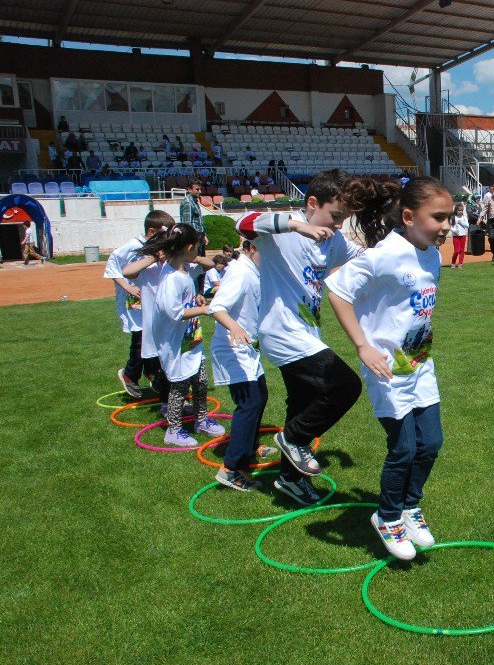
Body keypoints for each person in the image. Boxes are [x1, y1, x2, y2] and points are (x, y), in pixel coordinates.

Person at [327, 176, 452, 561]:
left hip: (418, 364)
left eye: (451, 217)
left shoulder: (430, 251)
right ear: (410, 215)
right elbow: (337, 291)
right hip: (386, 371)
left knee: (431, 443)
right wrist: (363, 346)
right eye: (440, 217)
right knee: (403, 448)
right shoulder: (382, 254)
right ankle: (387, 516)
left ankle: (410, 506)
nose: (447, 225)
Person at [234, 169, 371, 504]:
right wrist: (299, 226)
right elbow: (242, 224)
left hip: (307, 332)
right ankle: (293, 439)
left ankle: (289, 479)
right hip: (283, 333)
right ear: (312, 203)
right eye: (335, 216)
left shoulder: (333, 240)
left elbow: (365, 259)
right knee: (346, 386)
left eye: (344, 218)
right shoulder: (281, 230)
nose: (339, 225)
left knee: (302, 403)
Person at [137, 224, 226, 446]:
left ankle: (201, 419)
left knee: (201, 381)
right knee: (179, 386)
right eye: (197, 247)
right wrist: (205, 310)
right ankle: (173, 430)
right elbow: (174, 312)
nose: (199, 251)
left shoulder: (183, 271)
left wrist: (196, 298)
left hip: (190, 340)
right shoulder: (170, 278)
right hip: (175, 343)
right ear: (188, 248)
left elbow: (183, 301)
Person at [208, 240, 271, 491]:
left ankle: (251, 446)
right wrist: (234, 326)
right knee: (249, 403)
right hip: (233, 349)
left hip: (247, 347)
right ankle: (231, 468)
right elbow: (216, 307)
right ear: (253, 248)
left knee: (261, 396)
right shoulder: (240, 272)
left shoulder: (252, 271)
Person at [104, 210, 176, 399]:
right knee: (140, 337)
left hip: (151, 299)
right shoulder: (133, 246)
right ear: (152, 232)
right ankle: (130, 374)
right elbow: (113, 266)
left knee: (152, 336)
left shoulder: (158, 248)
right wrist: (127, 287)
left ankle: (153, 373)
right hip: (134, 299)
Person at [179, 180, 208, 289]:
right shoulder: (187, 202)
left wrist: (204, 235)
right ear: (189, 189)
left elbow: (198, 221)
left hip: (199, 236)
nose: (199, 191)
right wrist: (194, 239)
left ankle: (199, 291)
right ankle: (195, 291)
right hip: (194, 238)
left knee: (201, 265)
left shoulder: (194, 201)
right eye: (197, 189)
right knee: (195, 264)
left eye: (200, 189)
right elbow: (188, 224)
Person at [450, 201, 469, 268]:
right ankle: (453, 262)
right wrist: (454, 231)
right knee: (456, 250)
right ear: (456, 210)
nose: (460, 212)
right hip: (456, 236)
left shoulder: (464, 217)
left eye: (462, 210)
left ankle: (460, 263)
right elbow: (450, 226)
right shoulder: (453, 217)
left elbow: (467, 226)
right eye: (459, 210)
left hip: (463, 235)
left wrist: (462, 223)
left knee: (461, 250)